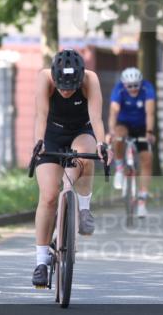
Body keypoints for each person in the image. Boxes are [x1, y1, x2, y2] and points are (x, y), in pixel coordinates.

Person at [31, 49, 107, 287]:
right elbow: (41, 115)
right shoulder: (44, 79)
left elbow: (96, 118)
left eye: (71, 86)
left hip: (80, 131)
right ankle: (41, 262)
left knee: (86, 154)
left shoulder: (90, 80)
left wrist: (103, 144)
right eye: (62, 86)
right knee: (49, 197)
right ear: (54, 76)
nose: (65, 91)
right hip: (51, 134)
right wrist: (39, 142)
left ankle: (83, 209)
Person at [106, 67, 156, 218]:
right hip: (124, 123)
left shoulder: (147, 88)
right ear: (124, 85)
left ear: (140, 84)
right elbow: (113, 112)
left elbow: (150, 113)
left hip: (141, 126)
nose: (133, 89)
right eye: (130, 86)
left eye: (136, 85)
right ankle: (120, 167)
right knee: (119, 136)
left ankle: (142, 202)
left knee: (147, 159)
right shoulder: (119, 89)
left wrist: (149, 132)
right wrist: (111, 132)